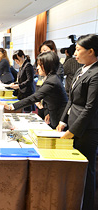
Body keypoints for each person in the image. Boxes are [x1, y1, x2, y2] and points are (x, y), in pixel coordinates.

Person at [56, 34, 98, 210]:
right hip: (73, 125)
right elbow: (71, 100)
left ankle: (87, 205)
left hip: (87, 131)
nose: (75, 54)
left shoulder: (96, 74)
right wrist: (62, 121)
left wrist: (72, 131)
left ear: (91, 51)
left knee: (86, 172)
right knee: (75, 171)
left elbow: (90, 108)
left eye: (79, 50)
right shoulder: (83, 69)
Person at [1, 51, 68, 128]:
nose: (37, 67)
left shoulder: (51, 81)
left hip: (60, 117)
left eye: (40, 65)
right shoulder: (51, 78)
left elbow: (34, 98)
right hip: (54, 114)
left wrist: (11, 106)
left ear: (48, 65)